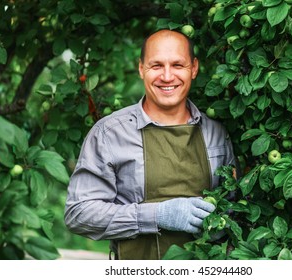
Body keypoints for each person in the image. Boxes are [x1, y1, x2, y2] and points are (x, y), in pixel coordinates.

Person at [64, 29, 237, 260]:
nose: (167, 76)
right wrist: (157, 215)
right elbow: (79, 214)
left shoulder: (216, 133)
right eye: (156, 66)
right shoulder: (110, 134)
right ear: (141, 69)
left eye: (178, 65)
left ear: (194, 68)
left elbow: (235, 206)